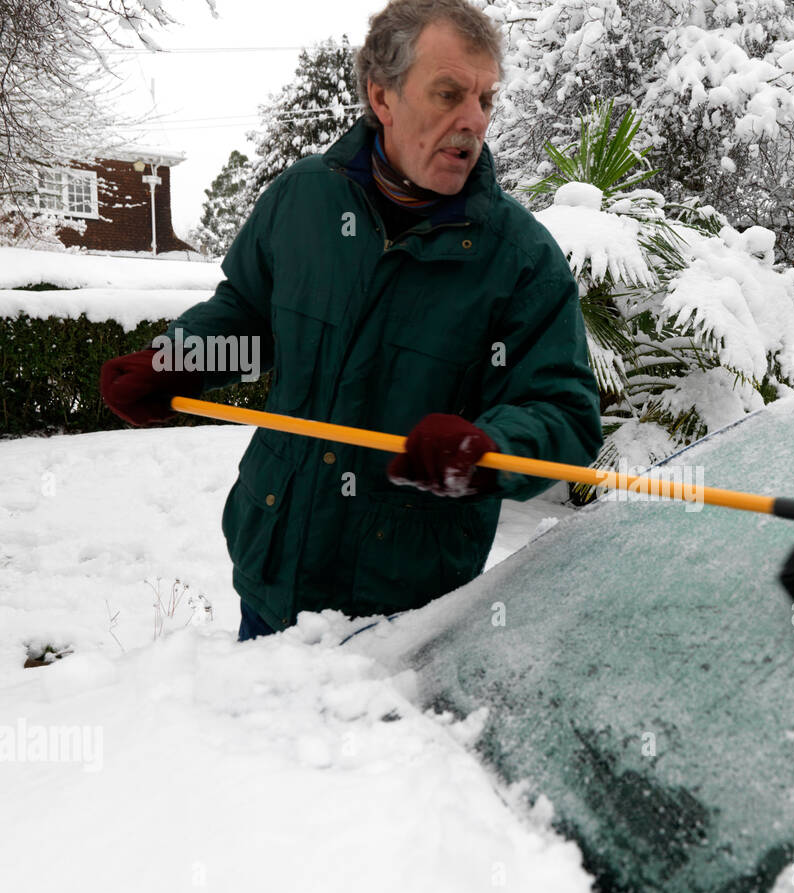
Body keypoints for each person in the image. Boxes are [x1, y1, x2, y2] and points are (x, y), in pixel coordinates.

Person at [99, 0, 601, 640]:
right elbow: (251, 318)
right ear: (382, 96)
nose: (473, 121)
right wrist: (178, 364)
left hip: (407, 612)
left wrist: (490, 449)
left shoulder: (521, 259)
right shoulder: (301, 198)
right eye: (449, 93)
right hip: (273, 565)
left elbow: (564, 415)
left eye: (485, 99)